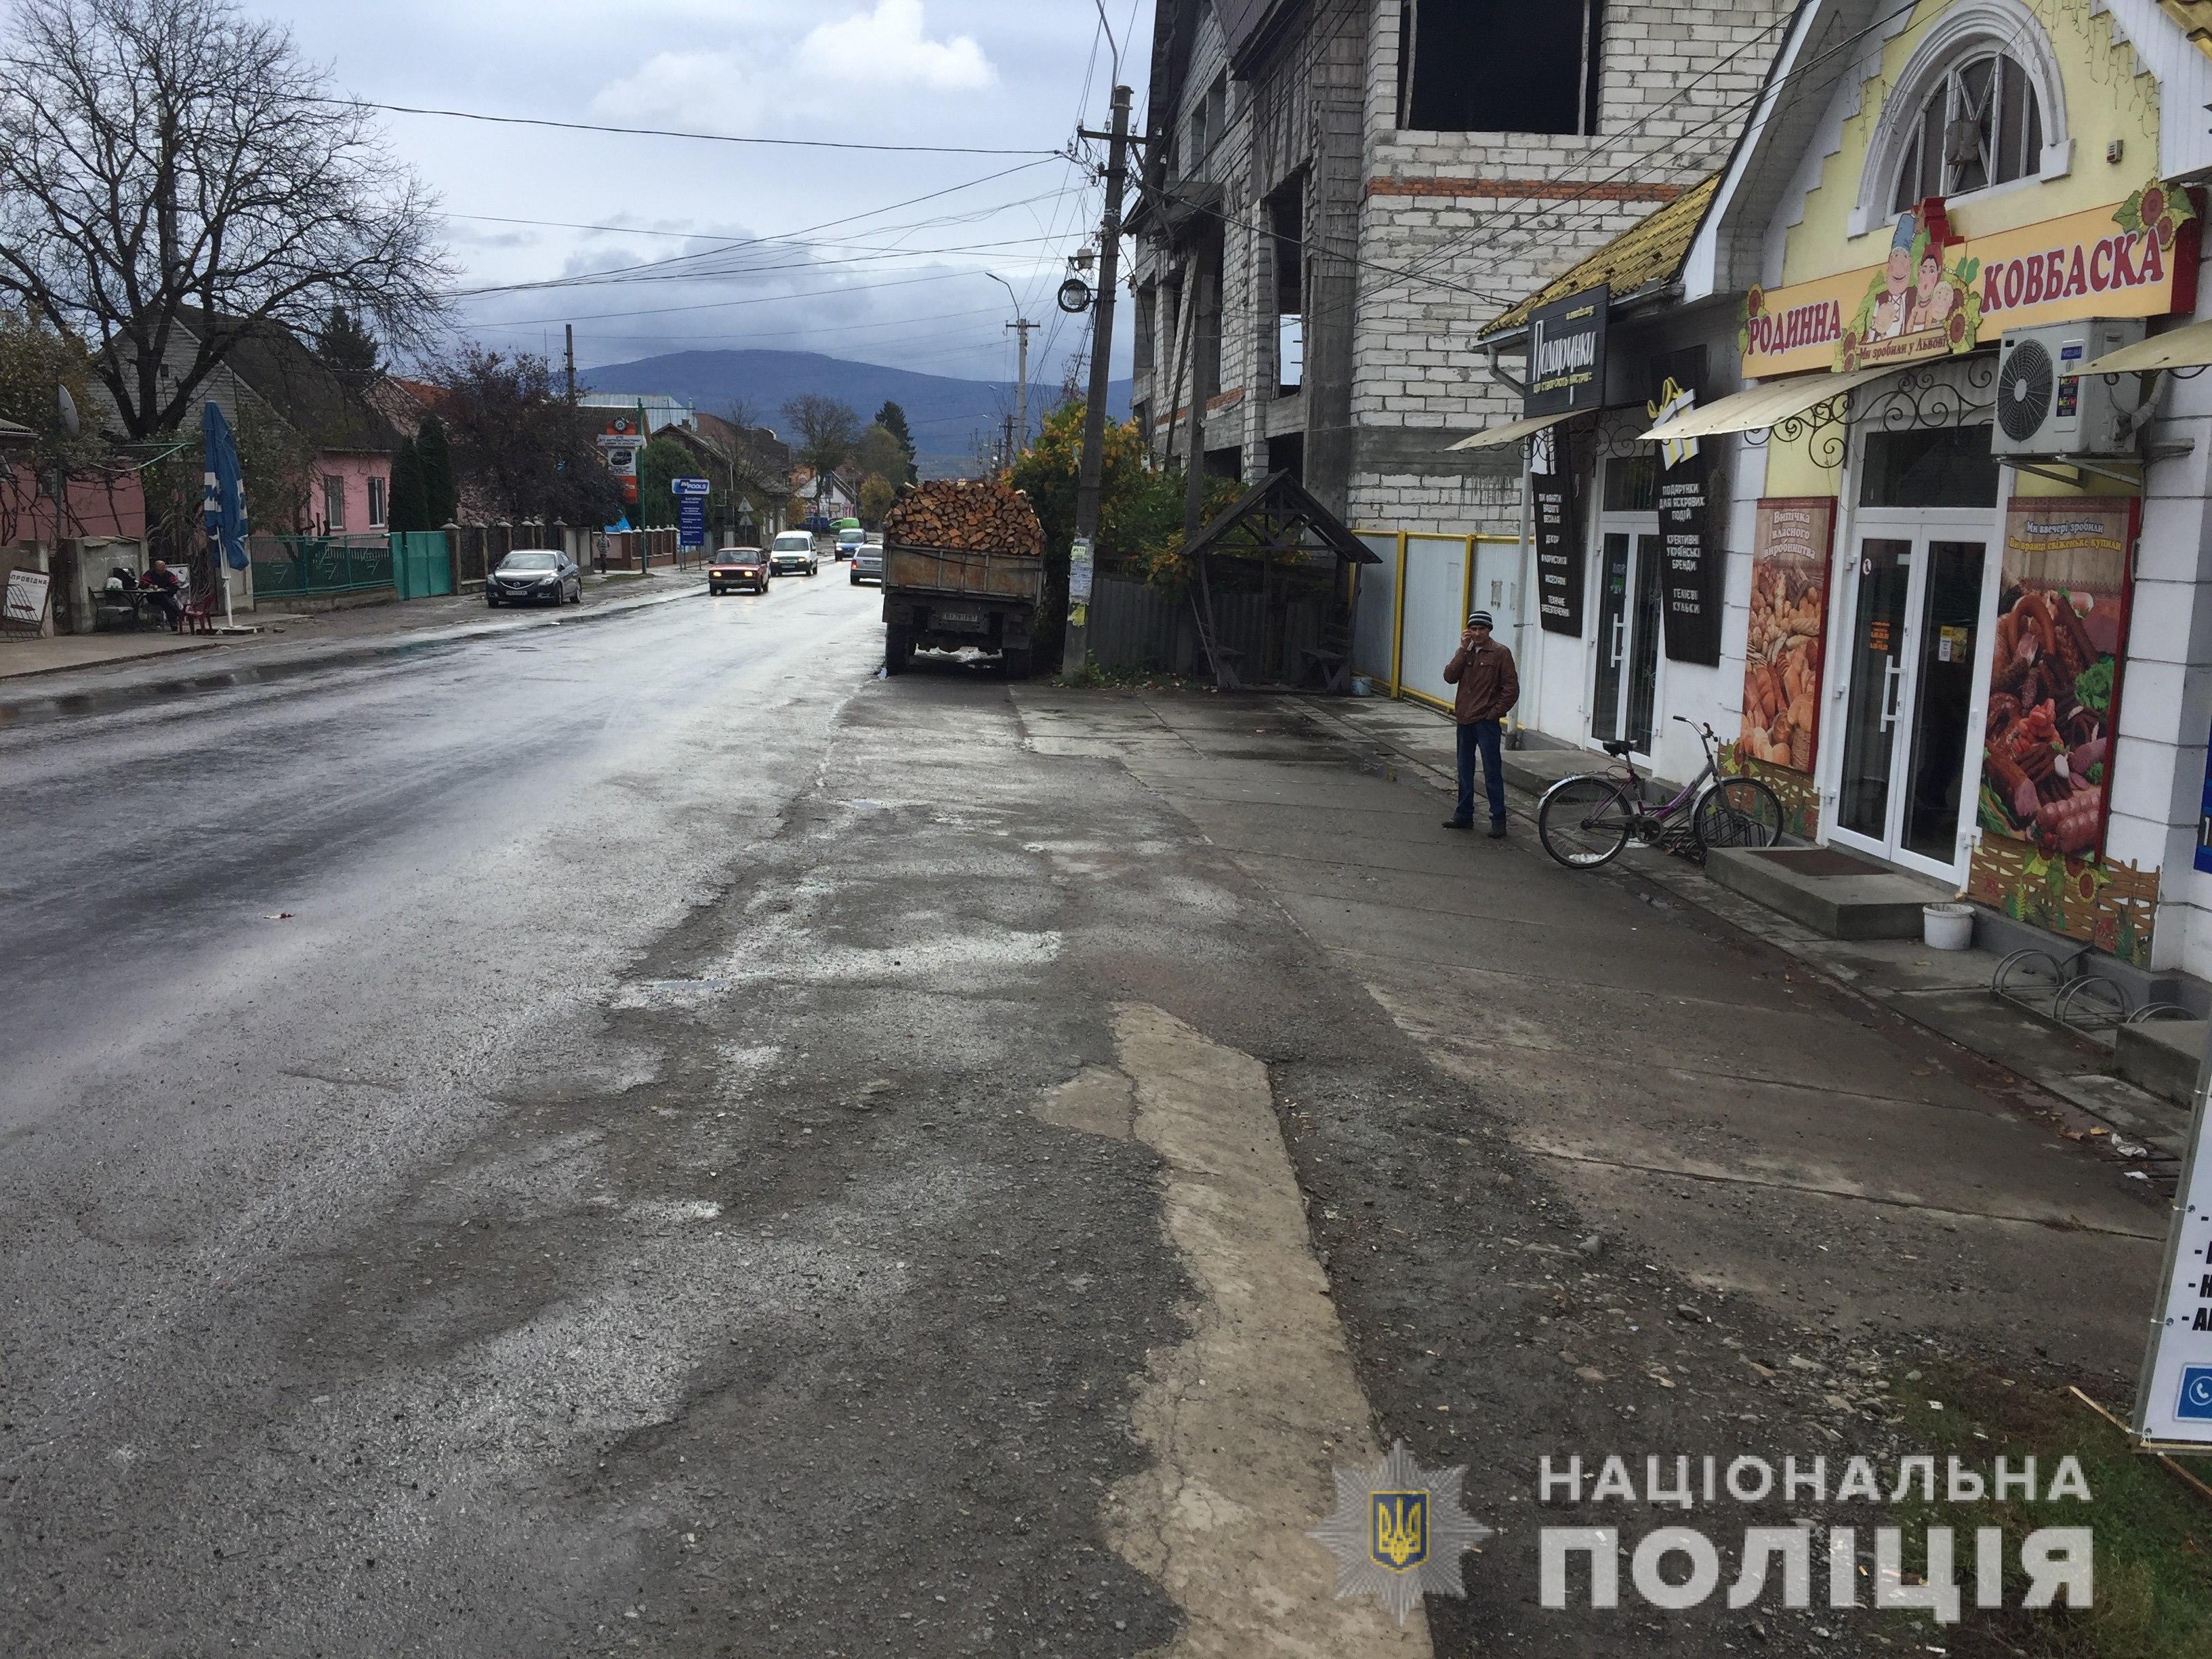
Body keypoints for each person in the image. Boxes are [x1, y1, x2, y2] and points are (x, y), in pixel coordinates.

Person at [1441, 610, 1519, 838]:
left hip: (1486, 722)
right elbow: (1449, 676)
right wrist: (1462, 650)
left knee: (1491, 770)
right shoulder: (1465, 652)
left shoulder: (1500, 653)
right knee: (1464, 769)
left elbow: (1511, 689)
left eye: (1481, 629)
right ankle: (1463, 815)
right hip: (1464, 720)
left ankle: (1498, 819)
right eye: (1473, 629)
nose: (1477, 634)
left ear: (1489, 630)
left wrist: (1494, 713)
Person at [140, 558, 184, 631]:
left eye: (162, 570)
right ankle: (176, 616)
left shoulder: (169, 575)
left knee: (166, 602)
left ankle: (174, 623)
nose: (161, 572)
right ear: (155, 569)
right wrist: (154, 588)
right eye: (159, 570)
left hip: (167, 596)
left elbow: (175, 586)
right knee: (167, 602)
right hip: (153, 597)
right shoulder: (149, 574)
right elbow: (142, 584)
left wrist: (167, 589)